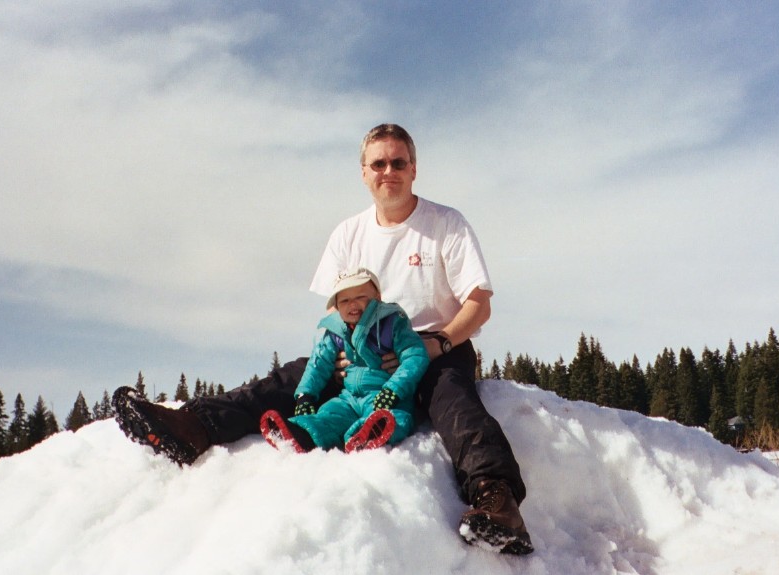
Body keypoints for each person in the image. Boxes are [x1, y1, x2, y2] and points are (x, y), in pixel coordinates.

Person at [113, 123, 533, 555]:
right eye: (378, 163)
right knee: (288, 379)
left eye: (398, 162)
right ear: (363, 172)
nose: (388, 170)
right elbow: (332, 311)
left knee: (454, 403)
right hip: (361, 347)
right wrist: (338, 351)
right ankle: (194, 426)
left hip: (433, 343)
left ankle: (496, 500)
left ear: (413, 169)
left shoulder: (446, 224)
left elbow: (478, 303)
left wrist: (438, 344)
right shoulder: (348, 234)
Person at [260, 267, 429, 453]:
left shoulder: (391, 323)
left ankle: (370, 434)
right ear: (337, 306)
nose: (353, 305)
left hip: (384, 395)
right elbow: (318, 363)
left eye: (361, 297)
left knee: (393, 417)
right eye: (345, 300)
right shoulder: (337, 332)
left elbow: (414, 355)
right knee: (329, 413)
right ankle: (301, 432)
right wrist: (305, 395)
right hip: (349, 398)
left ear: (378, 297)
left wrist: (394, 390)